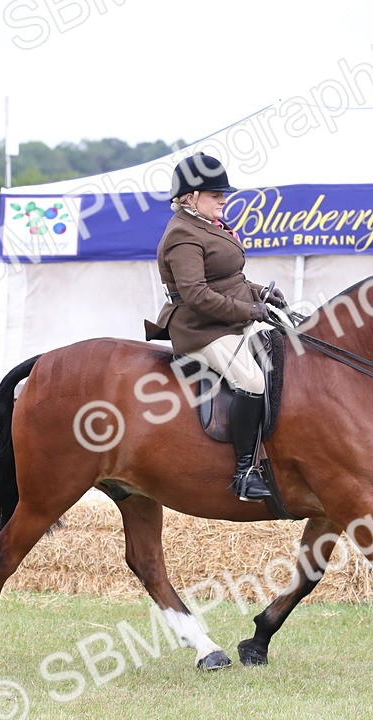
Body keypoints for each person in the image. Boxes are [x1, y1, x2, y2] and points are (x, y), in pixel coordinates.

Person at [147, 153, 286, 502]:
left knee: (284, 350)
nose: (223, 199)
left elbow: (229, 279)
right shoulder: (182, 235)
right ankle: (244, 473)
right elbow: (196, 295)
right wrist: (248, 309)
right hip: (201, 328)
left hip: (230, 319)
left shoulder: (207, 226)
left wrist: (261, 293)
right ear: (191, 197)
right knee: (252, 381)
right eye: (215, 194)